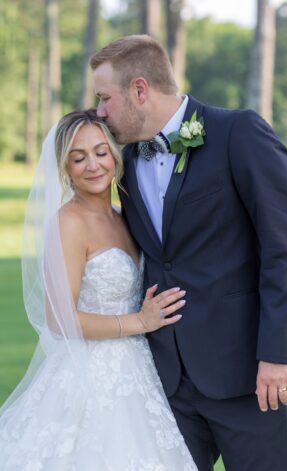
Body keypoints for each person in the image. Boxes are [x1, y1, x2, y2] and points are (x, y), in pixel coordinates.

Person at [90, 35, 287, 469]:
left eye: (104, 98)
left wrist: (281, 353)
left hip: (248, 375)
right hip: (165, 383)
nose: (100, 111)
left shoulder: (238, 132)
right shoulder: (127, 162)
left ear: (140, 90)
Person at [0, 110, 197, 469]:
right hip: (91, 378)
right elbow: (60, 319)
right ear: (64, 167)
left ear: (115, 156)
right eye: (78, 158)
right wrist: (139, 322)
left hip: (141, 369)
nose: (93, 165)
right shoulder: (68, 223)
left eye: (101, 152)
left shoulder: (124, 214)